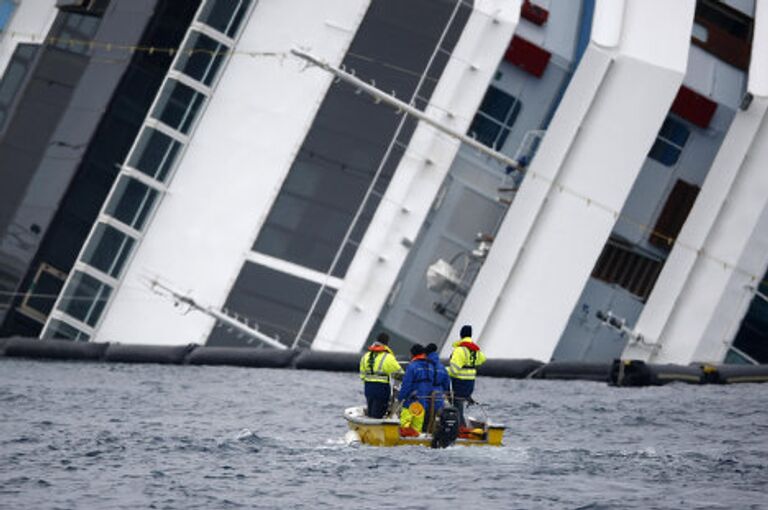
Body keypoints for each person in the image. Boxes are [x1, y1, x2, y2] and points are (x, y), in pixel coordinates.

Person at [398, 343, 450, 434]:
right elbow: (442, 385)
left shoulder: (412, 366)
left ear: (413, 354)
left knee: (404, 427)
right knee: (417, 429)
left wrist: (400, 398)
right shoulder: (431, 367)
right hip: (423, 403)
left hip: (411, 402)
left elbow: (406, 385)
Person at [447, 325, 486, 427]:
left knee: (456, 407)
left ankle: (460, 428)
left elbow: (453, 371)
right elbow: (482, 359)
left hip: (459, 383)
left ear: (461, 334)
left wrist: (443, 370)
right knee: (459, 407)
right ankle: (461, 426)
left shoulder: (460, 350)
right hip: (470, 384)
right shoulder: (474, 350)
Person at [359, 332, 403, 419]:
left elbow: (362, 374)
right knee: (378, 414)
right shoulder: (388, 357)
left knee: (371, 412)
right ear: (387, 343)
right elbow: (400, 373)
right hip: (381, 388)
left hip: (368, 388)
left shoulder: (365, 356)